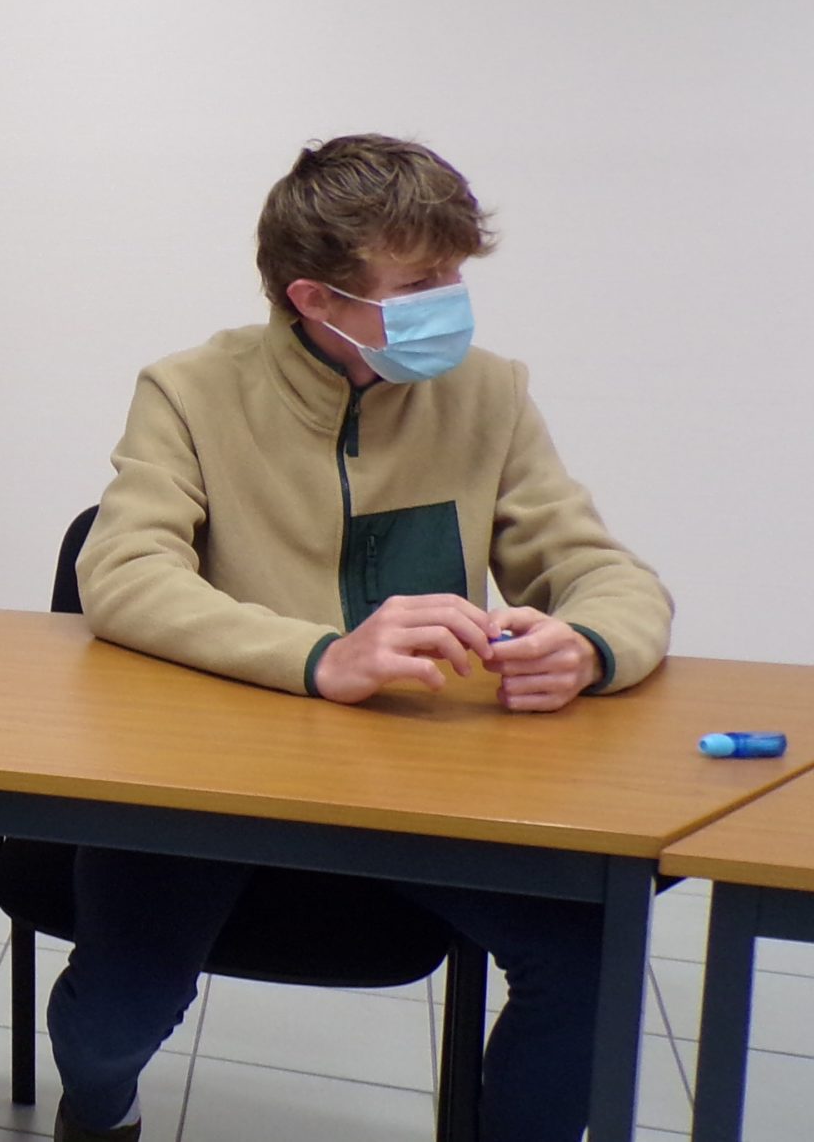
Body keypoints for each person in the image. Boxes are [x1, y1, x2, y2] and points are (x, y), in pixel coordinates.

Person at [53, 134, 675, 1142]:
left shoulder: (488, 393)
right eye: (420, 282)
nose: (450, 301)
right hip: (208, 778)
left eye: (454, 273)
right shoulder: (189, 390)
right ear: (315, 298)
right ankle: (97, 1111)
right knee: (114, 1018)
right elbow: (121, 573)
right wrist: (320, 656)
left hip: (416, 784)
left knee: (588, 949)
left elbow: (604, 572)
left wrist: (592, 643)